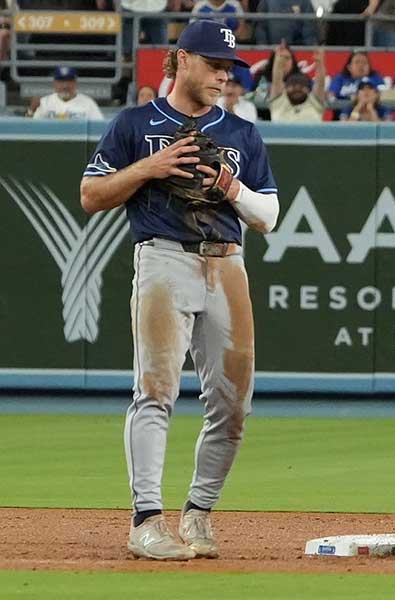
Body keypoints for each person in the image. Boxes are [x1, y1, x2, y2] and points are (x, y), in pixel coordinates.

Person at [79, 19, 279, 561]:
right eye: (214, 64)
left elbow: (269, 215)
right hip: (164, 257)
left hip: (228, 263)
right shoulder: (137, 123)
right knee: (155, 390)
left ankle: (199, 514)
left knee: (233, 404)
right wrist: (149, 166)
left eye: (229, 67)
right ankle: (146, 521)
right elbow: (91, 195)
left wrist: (230, 186)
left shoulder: (241, 133)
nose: (223, 76)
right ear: (181, 59)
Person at [269, 46, 326, 123]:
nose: (297, 88)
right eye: (292, 86)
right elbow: (277, 79)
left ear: (308, 90)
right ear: (285, 89)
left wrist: (319, 62)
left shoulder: (315, 104)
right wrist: (278, 61)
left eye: (302, 86)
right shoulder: (279, 103)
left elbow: (320, 83)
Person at [33, 67, 104, 120]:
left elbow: (99, 127)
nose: (65, 86)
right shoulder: (45, 102)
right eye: (61, 81)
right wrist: (31, 111)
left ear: (75, 83)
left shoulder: (88, 103)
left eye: (69, 81)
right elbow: (32, 126)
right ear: (54, 83)